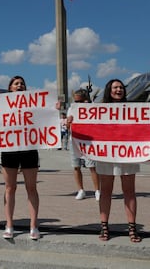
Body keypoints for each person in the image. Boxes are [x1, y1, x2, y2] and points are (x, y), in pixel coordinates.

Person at [96, 79, 141, 243]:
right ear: (109, 90)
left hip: (127, 154)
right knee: (106, 191)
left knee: (129, 192)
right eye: (115, 87)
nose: (119, 89)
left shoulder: (133, 109)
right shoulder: (99, 110)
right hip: (106, 155)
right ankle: (104, 226)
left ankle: (132, 227)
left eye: (121, 87)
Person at [0, 76, 40, 240]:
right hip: (9, 149)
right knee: (10, 188)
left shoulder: (34, 104)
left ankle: (33, 225)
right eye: (16, 83)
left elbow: (45, 118)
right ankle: (9, 224)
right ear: (10, 88)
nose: (20, 85)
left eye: (22, 83)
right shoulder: (0, 105)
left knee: (31, 188)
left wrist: (55, 108)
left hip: (29, 148)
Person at [67, 89, 100, 201]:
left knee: (92, 166)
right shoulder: (72, 109)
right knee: (76, 166)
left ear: (86, 100)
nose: (78, 104)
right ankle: (81, 190)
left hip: (88, 141)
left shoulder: (92, 109)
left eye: (80, 101)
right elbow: (67, 127)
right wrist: (68, 122)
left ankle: (97, 190)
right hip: (74, 140)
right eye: (76, 101)